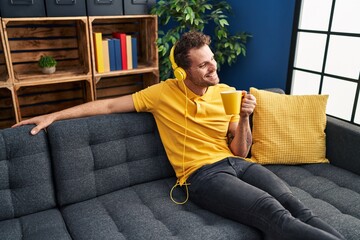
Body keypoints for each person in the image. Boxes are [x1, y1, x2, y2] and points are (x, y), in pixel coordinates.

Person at [13, 31, 345, 240]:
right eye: (204, 65)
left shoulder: (227, 92)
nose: (213, 68)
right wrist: (53, 114)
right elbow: (110, 106)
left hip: (236, 163)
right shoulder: (162, 94)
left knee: (296, 205)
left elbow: (241, 152)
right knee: (273, 213)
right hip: (203, 177)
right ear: (183, 71)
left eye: (212, 60)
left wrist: (245, 118)